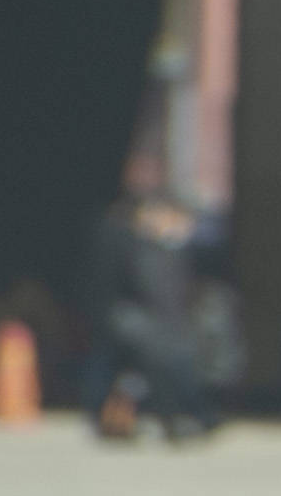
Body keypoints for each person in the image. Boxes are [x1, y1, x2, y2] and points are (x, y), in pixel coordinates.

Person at [84, 186, 229, 442]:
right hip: (134, 322)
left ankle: (190, 413)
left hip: (165, 326)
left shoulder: (174, 250)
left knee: (183, 357)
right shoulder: (126, 244)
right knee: (163, 356)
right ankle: (178, 415)